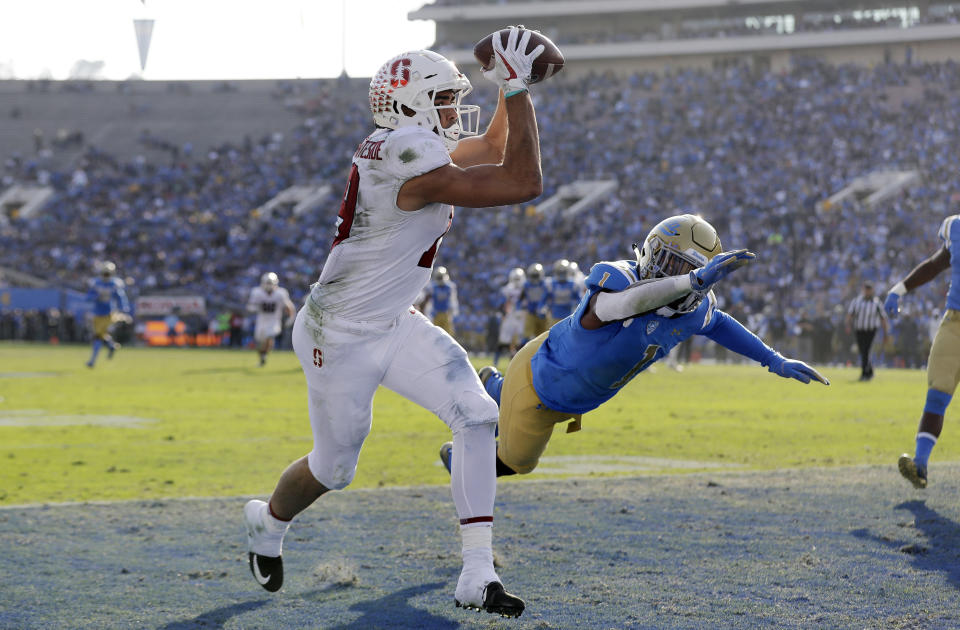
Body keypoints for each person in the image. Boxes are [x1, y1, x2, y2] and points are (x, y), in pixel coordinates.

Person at [243, 31, 547, 618]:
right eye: (443, 101)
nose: (453, 113)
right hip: (339, 334)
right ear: (411, 108)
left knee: (478, 414)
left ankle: (476, 572)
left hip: (393, 321)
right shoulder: (408, 154)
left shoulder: (411, 144)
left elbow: (489, 144)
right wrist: (514, 87)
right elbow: (521, 182)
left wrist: (517, 88)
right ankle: (268, 521)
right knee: (334, 468)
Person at [438, 214, 828, 480]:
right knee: (514, 463)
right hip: (540, 388)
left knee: (518, 427)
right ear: (650, 254)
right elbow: (620, 306)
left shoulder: (693, 309)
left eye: (690, 270)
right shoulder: (618, 279)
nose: (682, 276)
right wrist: (688, 283)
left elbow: (719, 324)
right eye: (673, 265)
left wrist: (773, 360)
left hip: (568, 389)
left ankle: (494, 386)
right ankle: (461, 454)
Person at [885, 214, 960, 489]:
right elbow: (937, 263)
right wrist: (900, 288)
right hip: (955, 322)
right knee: (937, 393)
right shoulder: (955, 226)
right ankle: (920, 464)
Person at [84, 260, 131, 368]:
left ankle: (92, 361)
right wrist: (96, 296)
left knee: (97, 337)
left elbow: (120, 296)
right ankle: (111, 346)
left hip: (109, 314)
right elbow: (88, 297)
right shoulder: (96, 284)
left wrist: (124, 307)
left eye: (107, 273)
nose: (105, 276)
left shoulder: (114, 284)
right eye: (104, 273)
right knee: (100, 335)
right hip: (97, 314)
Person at [246, 272, 295, 366]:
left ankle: (264, 356)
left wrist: (291, 318)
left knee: (269, 336)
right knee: (260, 341)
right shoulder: (257, 292)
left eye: (270, 283)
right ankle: (262, 356)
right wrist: (252, 308)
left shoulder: (280, 293)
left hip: (274, 320)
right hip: (261, 320)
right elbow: (250, 305)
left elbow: (289, 307)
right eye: (267, 283)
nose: (268, 285)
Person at [844, 281, 889, 381]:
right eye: (866, 290)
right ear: (863, 290)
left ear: (872, 291)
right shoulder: (857, 301)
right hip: (859, 330)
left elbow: (883, 318)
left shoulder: (876, 303)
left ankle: (864, 374)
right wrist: (847, 325)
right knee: (863, 351)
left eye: (869, 290)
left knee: (866, 350)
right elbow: (850, 314)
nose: (867, 292)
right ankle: (870, 372)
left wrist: (885, 333)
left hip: (871, 330)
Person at [493, 267, 525, 368]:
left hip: (520, 316)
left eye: (518, 279)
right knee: (503, 340)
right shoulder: (507, 289)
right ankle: (495, 362)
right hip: (510, 316)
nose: (517, 281)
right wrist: (502, 313)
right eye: (515, 279)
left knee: (519, 341)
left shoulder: (525, 288)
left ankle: (517, 363)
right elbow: (502, 303)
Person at [544, 258, 582, 327]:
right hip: (554, 316)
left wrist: (576, 306)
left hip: (569, 316)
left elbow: (580, 301)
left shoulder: (573, 284)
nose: (561, 274)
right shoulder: (551, 284)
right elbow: (544, 298)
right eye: (560, 272)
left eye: (563, 272)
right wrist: (543, 307)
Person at [519, 262, 549, 343]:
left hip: (543, 313)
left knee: (544, 336)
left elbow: (549, 298)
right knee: (527, 335)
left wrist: (544, 307)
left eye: (536, 275)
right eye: (533, 275)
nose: (535, 277)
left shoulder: (546, 284)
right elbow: (521, 298)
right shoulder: (526, 285)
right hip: (531, 312)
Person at [427, 266, 459, 336]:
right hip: (435, 313)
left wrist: (454, 312)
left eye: (441, 277)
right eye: (439, 277)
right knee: (434, 333)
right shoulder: (432, 287)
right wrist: (428, 313)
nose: (440, 278)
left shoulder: (450, 286)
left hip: (446, 313)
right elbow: (429, 302)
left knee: (448, 334)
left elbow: (453, 300)